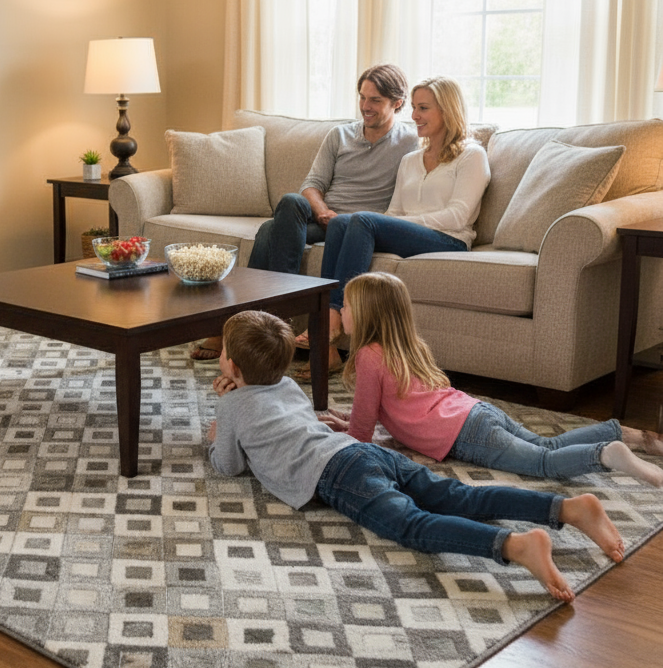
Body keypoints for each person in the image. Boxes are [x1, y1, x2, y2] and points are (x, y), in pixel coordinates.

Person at [206, 310, 625, 603]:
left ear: (235, 369)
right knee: (459, 495)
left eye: (224, 351)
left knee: (412, 525)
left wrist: (217, 433)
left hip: (338, 475)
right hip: (361, 451)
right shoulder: (287, 387)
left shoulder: (233, 406)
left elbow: (228, 465)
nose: (221, 355)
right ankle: (568, 508)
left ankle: (515, 546)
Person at [329, 272, 663, 486]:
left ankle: (607, 454)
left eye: (345, 305)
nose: (341, 311)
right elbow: (385, 412)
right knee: (547, 445)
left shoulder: (368, 356)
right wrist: (348, 420)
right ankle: (634, 436)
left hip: (465, 433)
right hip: (476, 411)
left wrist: (339, 435)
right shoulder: (405, 346)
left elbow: (362, 434)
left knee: (544, 463)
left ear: (366, 314)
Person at [189, 63, 418, 361]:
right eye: (362, 97)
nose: (365, 107)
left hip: (356, 226)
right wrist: (322, 211)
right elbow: (312, 184)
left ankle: (240, 327)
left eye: (375, 100)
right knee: (290, 201)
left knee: (270, 231)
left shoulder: (410, 143)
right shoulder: (341, 135)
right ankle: (278, 316)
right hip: (322, 218)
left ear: (397, 103)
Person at [318, 76, 490, 373]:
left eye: (423, 108)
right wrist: (396, 223)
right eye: (413, 107)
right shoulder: (410, 160)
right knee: (340, 224)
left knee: (362, 220)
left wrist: (402, 223)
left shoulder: (471, 155)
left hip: (448, 239)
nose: (414, 116)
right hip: (411, 236)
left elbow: (459, 215)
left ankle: (333, 316)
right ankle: (330, 343)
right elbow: (394, 210)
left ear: (447, 111)